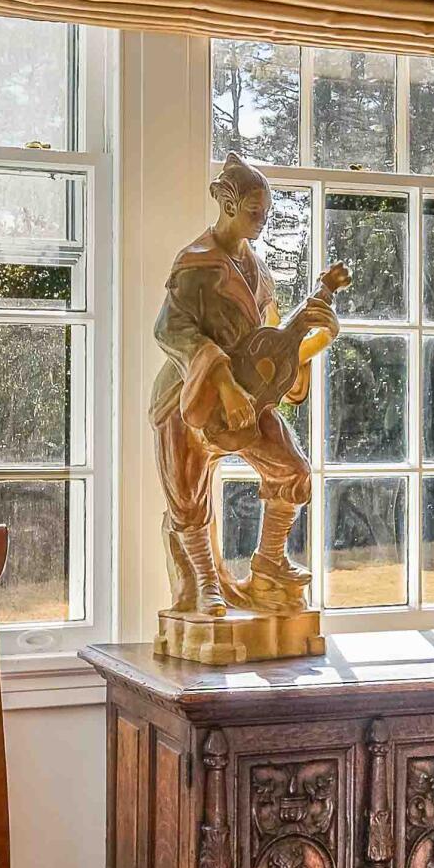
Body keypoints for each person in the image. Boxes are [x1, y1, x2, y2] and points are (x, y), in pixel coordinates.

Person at [153, 155, 340, 617]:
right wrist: (221, 379)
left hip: (250, 395)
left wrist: (314, 339)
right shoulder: (195, 264)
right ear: (229, 204)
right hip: (188, 395)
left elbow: (270, 345)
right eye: (254, 212)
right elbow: (170, 329)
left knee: (293, 469)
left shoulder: (260, 271)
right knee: (188, 494)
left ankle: (268, 566)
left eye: (266, 214)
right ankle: (203, 583)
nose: (261, 222)